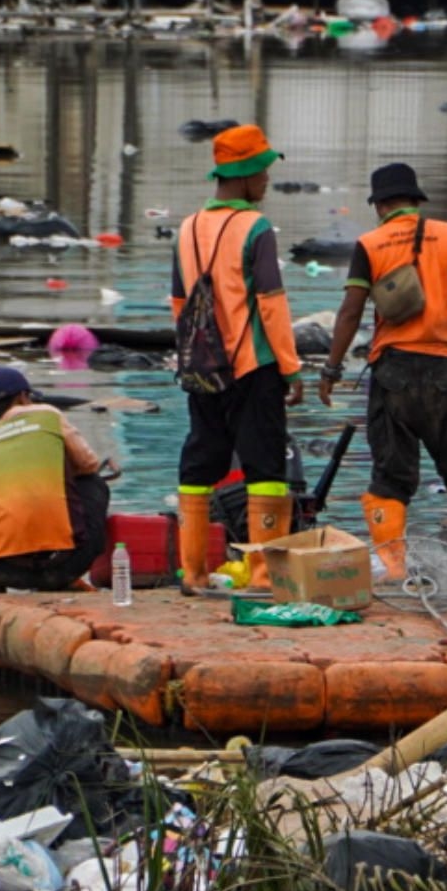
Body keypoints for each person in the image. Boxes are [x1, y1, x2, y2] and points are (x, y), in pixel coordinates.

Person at [318, 162, 447, 566]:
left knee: (391, 476)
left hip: (393, 371)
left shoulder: (370, 244)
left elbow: (350, 312)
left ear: (380, 205)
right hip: (443, 368)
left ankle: (395, 569)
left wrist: (332, 369)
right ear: (416, 200)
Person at [171, 123, 303, 590]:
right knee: (264, 466)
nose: (267, 180)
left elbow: (180, 302)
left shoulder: (187, 228)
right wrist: (290, 367)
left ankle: (193, 573)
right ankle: (264, 576)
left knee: (200, 460)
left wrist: (191, 358)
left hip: (202, 366)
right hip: (253, 364)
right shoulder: (255, 227)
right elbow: (270, 302)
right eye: (263, 171)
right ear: (244, 174)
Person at [0, 366, 112, 592]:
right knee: (92, 482)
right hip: (68, 565)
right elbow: (88, 464)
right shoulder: (48, 415)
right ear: (23, 396)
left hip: (0, 569)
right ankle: (68, 571)